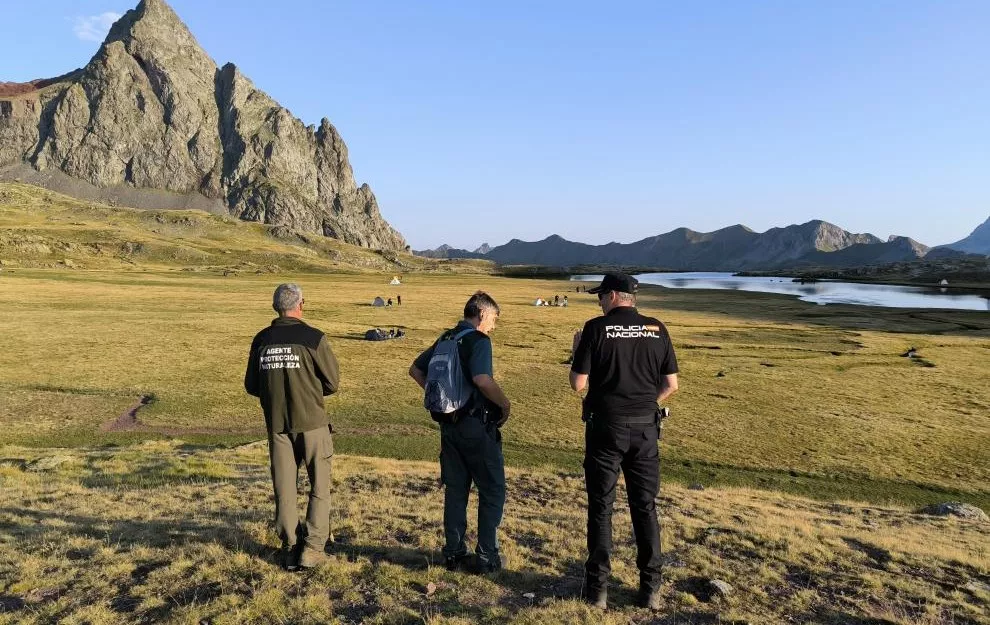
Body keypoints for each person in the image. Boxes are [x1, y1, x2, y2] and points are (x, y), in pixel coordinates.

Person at [569, 273, 679, 610]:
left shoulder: (595, 328)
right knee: (645, 507)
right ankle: (651, 590)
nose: (599, 301)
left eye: (601, 295)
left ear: (615, 295)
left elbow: (578, 384)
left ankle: (597, 590)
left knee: (601, 506)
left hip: (606, 430)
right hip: (646, 430)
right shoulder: (657, 328)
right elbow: (671, 384)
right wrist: (646, 405)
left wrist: (577, 353)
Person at [409, 292, 511, 574]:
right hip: (476, 427)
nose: (493, 326)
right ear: (481, 314)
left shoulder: (446, 338)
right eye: (493, 319)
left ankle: (453, 554)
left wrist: (441, 399)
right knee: (492, 490)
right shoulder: (478, 341)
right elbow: (481, 379)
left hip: (448, 427)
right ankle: (487, 556)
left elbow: (415, 370)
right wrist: (504, 404)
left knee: (456, 491)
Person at [245, 283, 340, 571]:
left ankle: (289, 547)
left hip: (276, 425)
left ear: (276, 306)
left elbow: (251, 385)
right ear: (301, 304)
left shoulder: (261, 340)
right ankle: (312, 548)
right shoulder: (313, 338)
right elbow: (332, 383)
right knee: (319, 486)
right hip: (312, 423)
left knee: (284, 487)